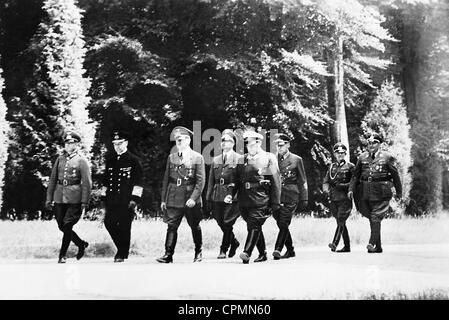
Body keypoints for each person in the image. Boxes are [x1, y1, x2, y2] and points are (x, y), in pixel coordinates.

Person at [158, 126, 206, 263]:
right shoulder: (171, 157)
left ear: (189, 140)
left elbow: (200, 181)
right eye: (177, 140)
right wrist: (163, 199)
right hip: (174, 197)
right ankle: (168, 254)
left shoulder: (197, 157)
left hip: (190, 196)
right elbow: (166, 179)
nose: (178, 142)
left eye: (182, 139)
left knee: (194, 225)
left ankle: (198, 252)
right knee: (171, 225)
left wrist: (193, 198)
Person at [348, 133, 402, 253]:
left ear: (380, 144)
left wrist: (399, 193)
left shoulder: (387, 157)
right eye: (369, 143)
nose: (371, 145)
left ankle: (371, 243)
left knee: (375, 216)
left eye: (374, 143)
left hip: (382, 192)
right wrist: (351, 189)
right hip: (366, 192)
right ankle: (378, 247)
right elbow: (355, 176)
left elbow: (395, 176)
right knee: (373, 219)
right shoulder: (362, 157)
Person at [46, 131, 91, 264]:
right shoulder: (60, 159)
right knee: (62, 226)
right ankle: (81, 244)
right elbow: (53, 180)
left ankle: (62, 255)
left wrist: (84, 201)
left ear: (77, 144)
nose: (68, 146)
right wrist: (49, 199)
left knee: (67, 225)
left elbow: (87, 183)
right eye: (67, 143)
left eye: (71, 143)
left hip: (75, 198)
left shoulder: (81, 160)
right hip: (59, 196)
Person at [237, 130, 281, 264]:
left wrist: (276, 203)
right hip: (244, 200)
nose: (249, 146)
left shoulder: (269, 158)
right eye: (247, 143)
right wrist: (231, 195)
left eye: (251, 143)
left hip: (261, 198)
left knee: (254, 224)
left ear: (259, 142)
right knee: (253, 226)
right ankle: (262, 253)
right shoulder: (242, 159)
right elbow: (237, 180)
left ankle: (247, 252)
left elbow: (276, 182)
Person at [101, 131, 143, 262]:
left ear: (126, 143)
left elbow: (138, 182)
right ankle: (122, 248)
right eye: (115, 144)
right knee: (109, 223)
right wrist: (103, 197)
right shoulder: (110, 160)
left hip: (126, 200)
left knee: (125, 227)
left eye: (120, 143)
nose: (117, 146)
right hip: (112, 200)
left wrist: (134, 199)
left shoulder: (133, 160)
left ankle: (121, 253)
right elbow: (106, 181)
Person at [205, 129, 242, 259]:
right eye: (222, 141)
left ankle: (223, 249)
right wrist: (208, 197)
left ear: (233, 143)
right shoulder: (216, 159)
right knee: (219, 220)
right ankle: (234, 242)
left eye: (226, 141)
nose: (223, 143)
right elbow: (210, 181)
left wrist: (237, 195)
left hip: (231, 194)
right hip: (217, 193)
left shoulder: (239, 159)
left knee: (227, 222)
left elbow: (240, 179)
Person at [272, 133, 308, 260]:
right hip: (276, 195)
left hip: (291, 194)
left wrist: (304, 198)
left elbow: (302, 180)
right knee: (281, 223)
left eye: (281, 145)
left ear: (288, 144)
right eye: (277, 145)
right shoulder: (273, 158)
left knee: (284, 221)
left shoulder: (296, 159)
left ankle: (278, 248)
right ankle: (291, 250)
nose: (279, 147)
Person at [323, 142, 354, 253]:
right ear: (335, 154)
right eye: (337, 153)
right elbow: (326, 181)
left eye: (342, 153)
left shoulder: (350, 167)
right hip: (334, 198)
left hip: (345, 198)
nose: (340, 155)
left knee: (341, 220)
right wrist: (326, 190)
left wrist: (343, 186)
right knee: (340, 222)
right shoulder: (332, 166)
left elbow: (354, 182)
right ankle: (347, 246)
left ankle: (334, 243)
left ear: (345, 153)